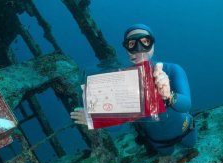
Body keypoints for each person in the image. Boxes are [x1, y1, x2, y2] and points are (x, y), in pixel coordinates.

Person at [71, 24, 197, 155]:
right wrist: (96, 118)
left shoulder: (172, 70)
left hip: (186, 130)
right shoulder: (121, 81)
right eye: (132, 44)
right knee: (166, 157)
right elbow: (118, 126)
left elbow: (186, 105)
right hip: (158, 142)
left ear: (152, 45)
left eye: (145, 42)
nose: (139, 49)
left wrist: (169, 96)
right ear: (126, 48)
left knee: (191, 146)